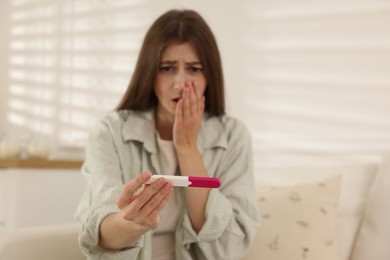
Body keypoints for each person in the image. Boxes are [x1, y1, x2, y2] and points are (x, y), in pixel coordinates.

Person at [75, 9, 259, 260]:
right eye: (167, 68)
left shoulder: (234, 136)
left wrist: (187, 146)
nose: (180, 83)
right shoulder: (110, 132)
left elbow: (230, 247)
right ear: (150, 73)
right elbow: (97, 237)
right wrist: (132, 223)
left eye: (193, 69)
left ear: (209, 75)